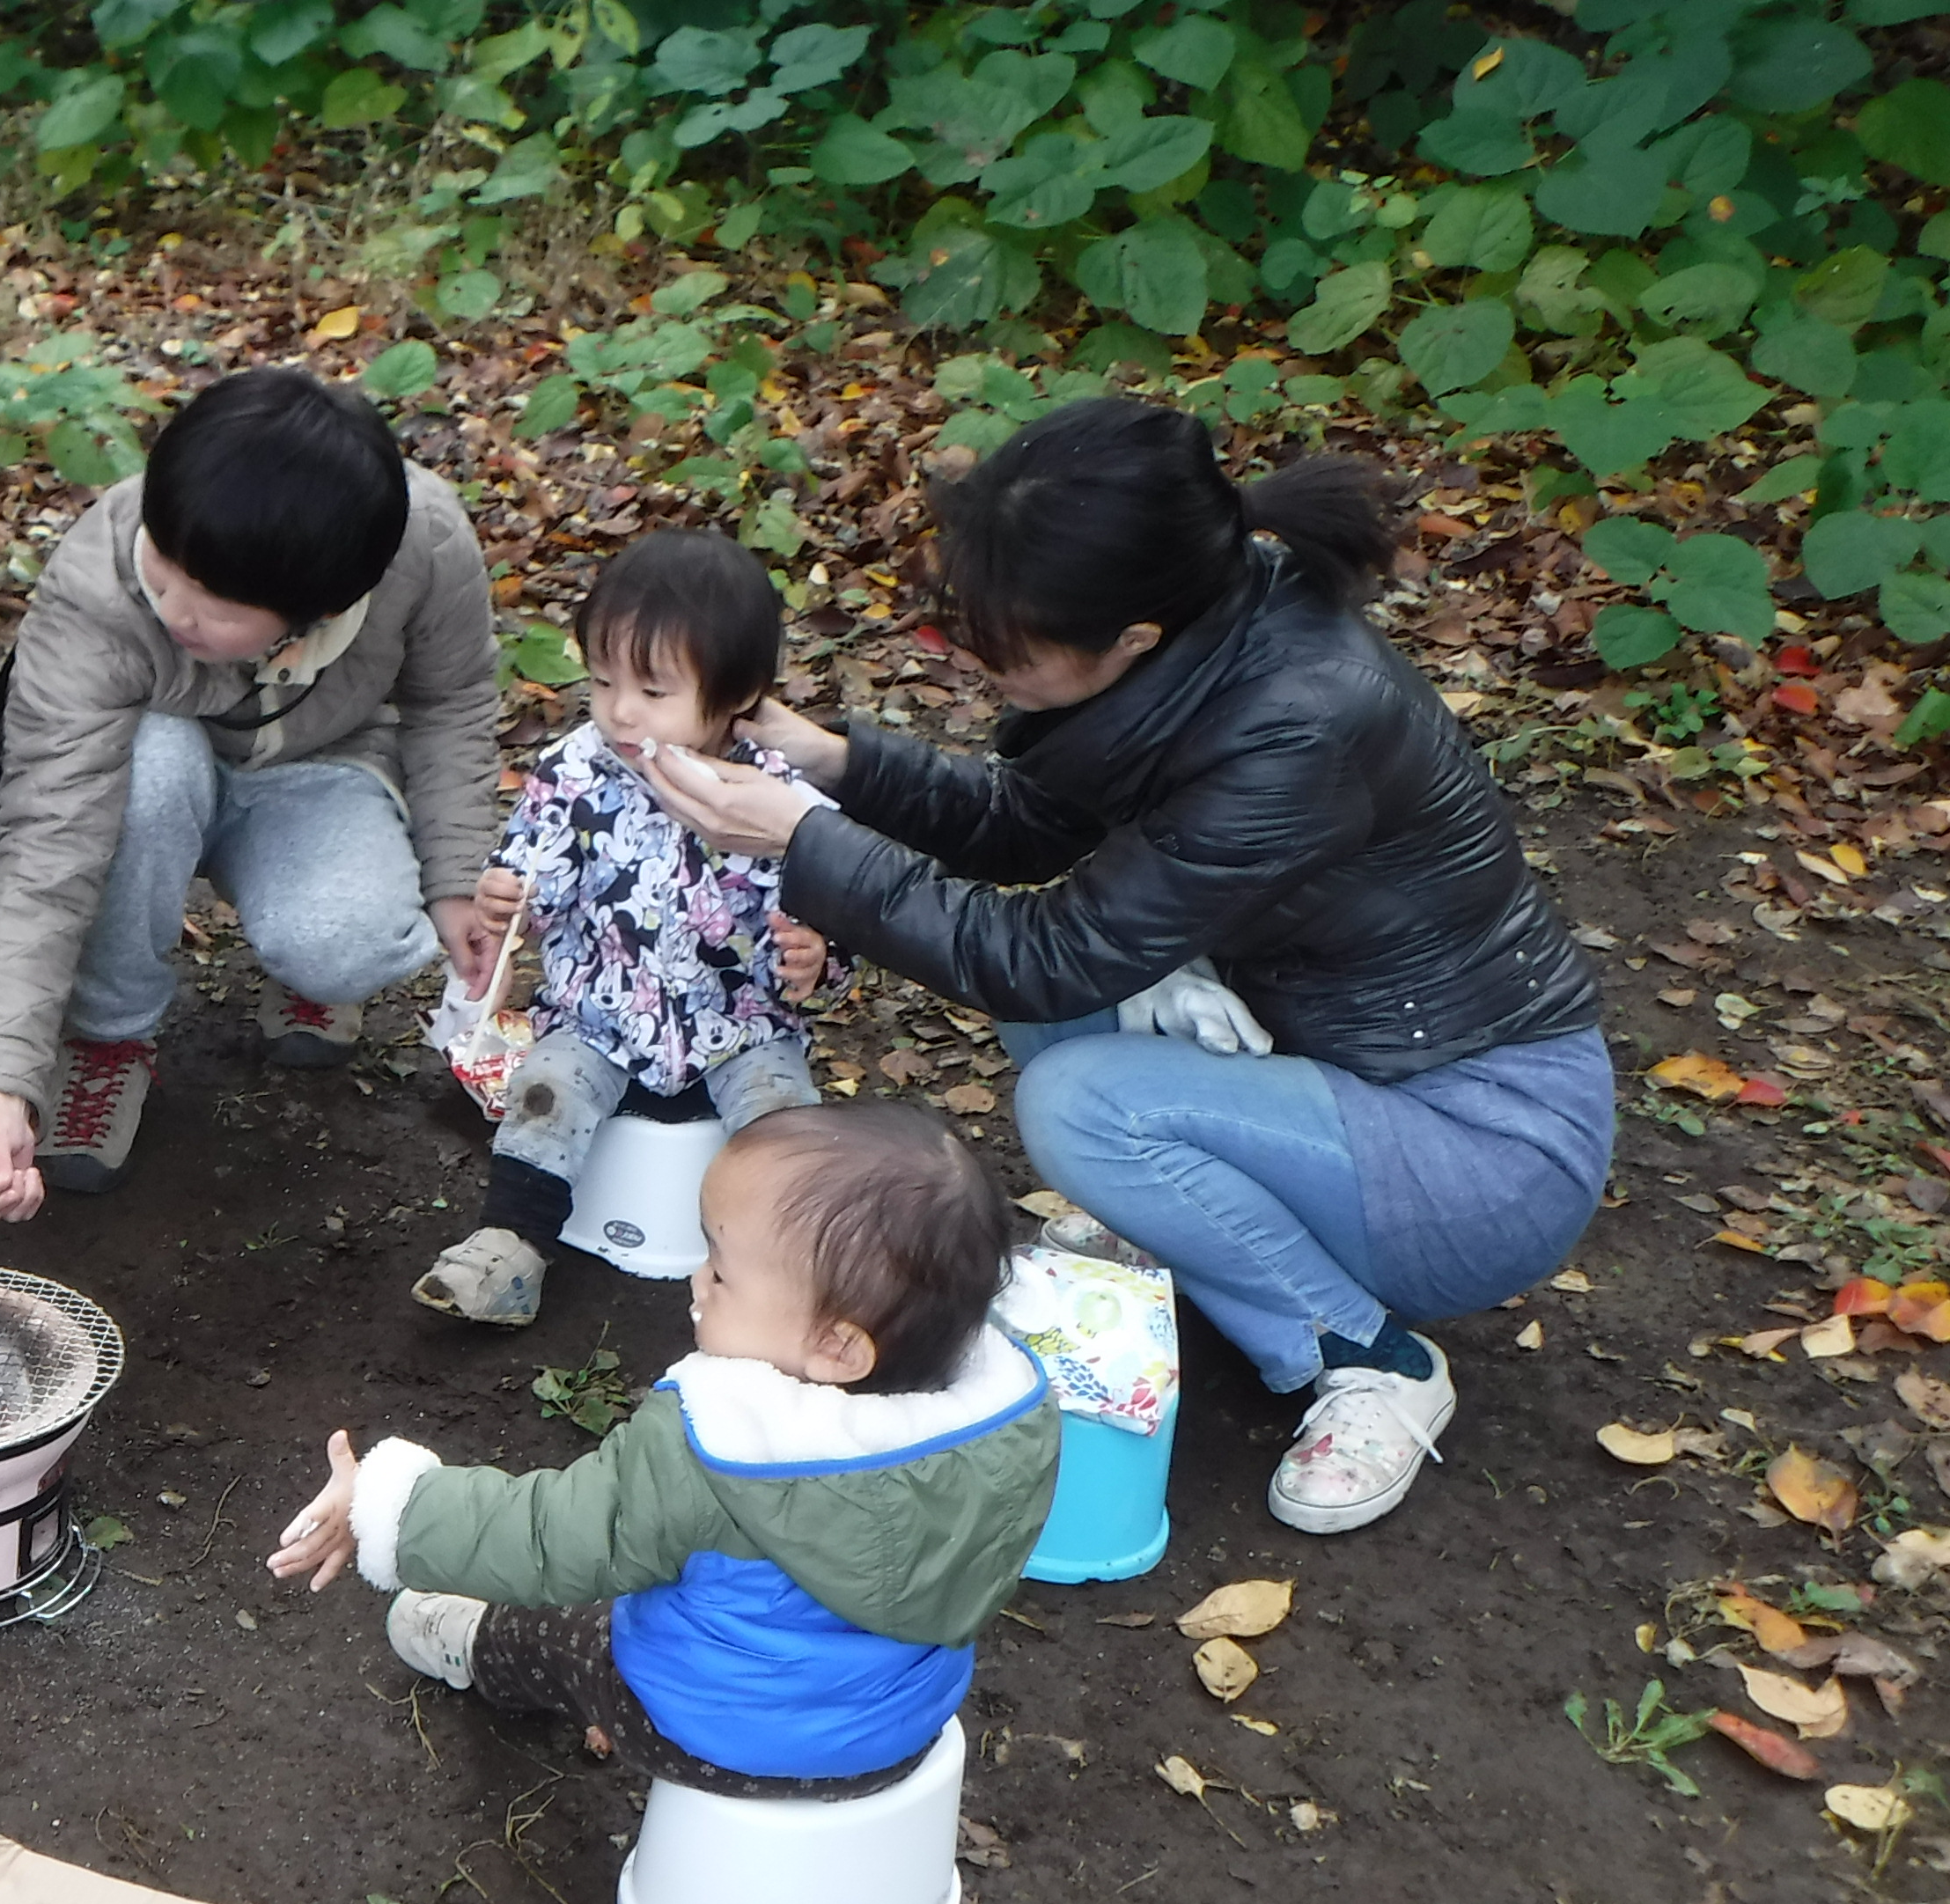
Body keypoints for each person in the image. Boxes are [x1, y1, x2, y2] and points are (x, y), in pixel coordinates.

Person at [630, 396, 1611, 1536]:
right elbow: (1029, 830)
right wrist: (835, 768)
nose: (983, 664)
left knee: (1080, 1097)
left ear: (1131, 638)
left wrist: (803, 840)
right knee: (1069, 1028)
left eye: (1008, 648)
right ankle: (1200, 1236)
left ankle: (1365, 1351)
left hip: (1487, 1149)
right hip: (1337, 1060)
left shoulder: (1295, 725)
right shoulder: (1204, 633)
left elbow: (1044, 955)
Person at [270, 1105, 1055, 1783]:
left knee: (575, 1626)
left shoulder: (717, 1449)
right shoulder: (1009, 1423)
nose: (696, 1281)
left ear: (839, 1350)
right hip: (902, 1725)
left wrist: (388, 1507)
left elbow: (542, 1534)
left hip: (719, 1738)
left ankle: (469, 1646)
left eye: (722, 1270)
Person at [0, 368, 504, 1209]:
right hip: (151, 766)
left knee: (353, 940)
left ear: (321, 608)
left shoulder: (421, 545)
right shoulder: (100, 583)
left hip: (325, 758)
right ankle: (109, 1035)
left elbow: (450, 701)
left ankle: (309, 973)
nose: (173, 608)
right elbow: (49, 838)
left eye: (215, 603)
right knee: (148, 765)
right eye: (165, 569)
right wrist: (5, 1084)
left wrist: (459, 878)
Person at [416, 529, 840, 1330]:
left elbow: (834, 920)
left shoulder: (783, 798)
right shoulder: (573, 772)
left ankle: (784, 1270)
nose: (618, 709)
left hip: (744, 1024)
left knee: (783, 1123)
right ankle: (511, 1246)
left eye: (652, 690)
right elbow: (533, 881)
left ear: (737, 694)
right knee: (545, 1093)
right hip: (596, 1013)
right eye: (603, 679)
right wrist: (510, 903)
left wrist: (816, 961)